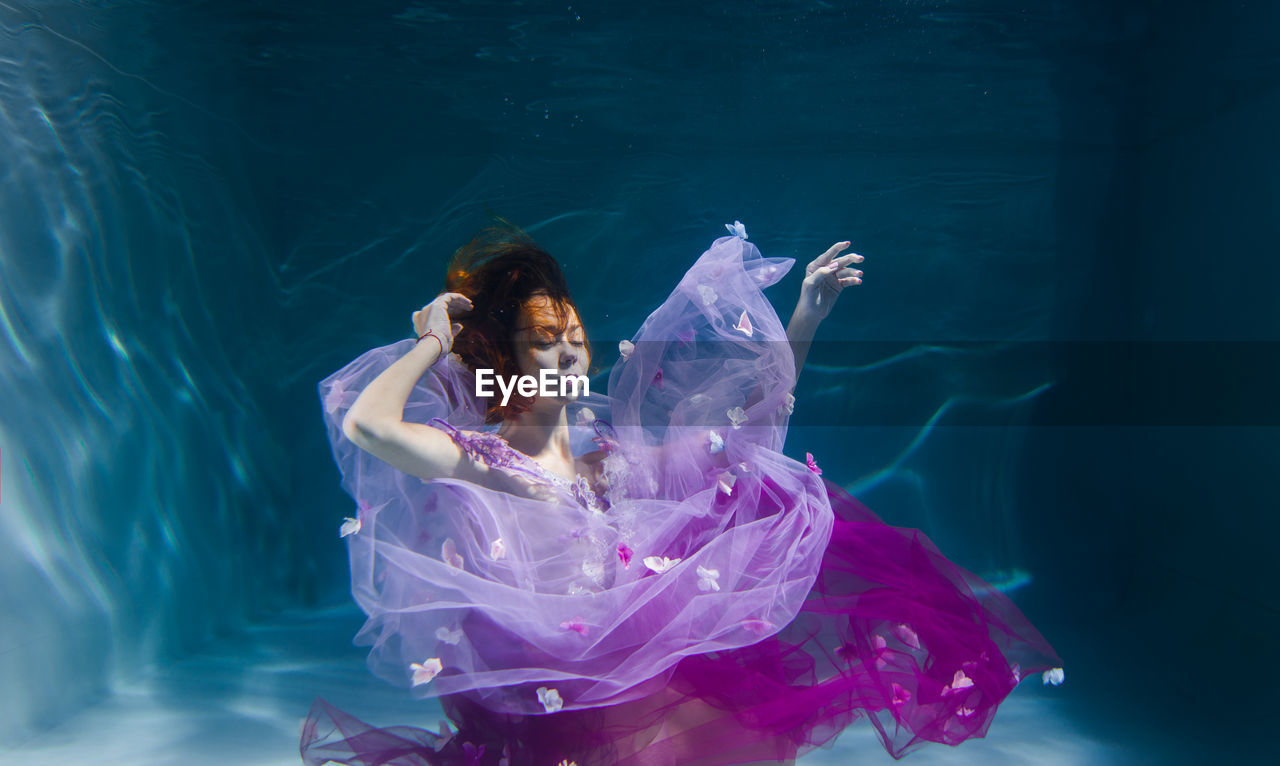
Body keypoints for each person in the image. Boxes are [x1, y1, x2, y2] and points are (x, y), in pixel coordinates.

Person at [302, 218, 1062, 766]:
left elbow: (741, 432)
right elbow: (371, 424)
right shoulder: (490, 458)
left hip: (643, 707)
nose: (568, 347)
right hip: (551, 722)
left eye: (572, 332)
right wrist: (435, 339)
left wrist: (806, 316)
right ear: (507, 356)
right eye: (543, 338)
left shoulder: (610, 455)